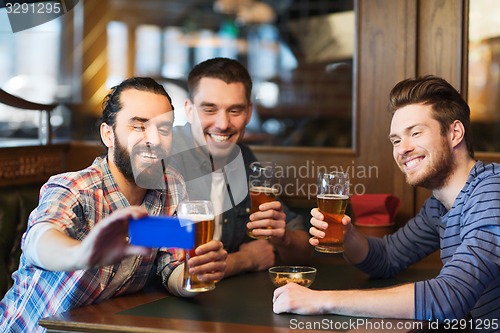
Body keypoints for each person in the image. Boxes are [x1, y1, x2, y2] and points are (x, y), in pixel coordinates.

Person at [0, 77, 227, 333]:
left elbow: (171, 265)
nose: (154, 139)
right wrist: (83, 253)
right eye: (139, 126)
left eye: (164, 129)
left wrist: (193, 277)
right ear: (108, 135)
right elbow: (39, 240)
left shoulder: (170, 189)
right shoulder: (75, 189)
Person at [273, 76, 500, 326]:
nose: (403, 149)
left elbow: (449, 298)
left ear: (454, 132)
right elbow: (387, 258)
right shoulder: (439, 207)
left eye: (415, 133)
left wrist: (320, 301)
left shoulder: (491, 192)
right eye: (396, 140)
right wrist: (348, 236)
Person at [171, 57, 312, 277]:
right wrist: (245, 260)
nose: (223, 124)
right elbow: (155, 256)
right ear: (189, 110)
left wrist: (283, 239)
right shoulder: (163, 158)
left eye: (235, 111)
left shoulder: (243, 157)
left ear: (248, 112)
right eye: (209, 110)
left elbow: (302, 247)